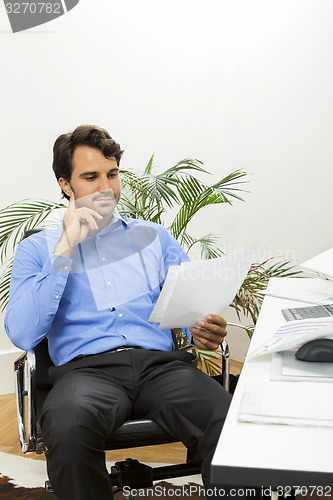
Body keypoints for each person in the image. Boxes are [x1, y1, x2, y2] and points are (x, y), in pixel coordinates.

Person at [5, 125, 233, 500]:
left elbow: (192, 309)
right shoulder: (39, 249)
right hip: (86, 374)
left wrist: (203, 328)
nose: (106, 188)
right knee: (67, 427)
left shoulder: (155, 238)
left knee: (226, 419)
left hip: (161, 367)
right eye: (90, 177)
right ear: (66, 185)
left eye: (112, 174)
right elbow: (22, 334)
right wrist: (65, 248)